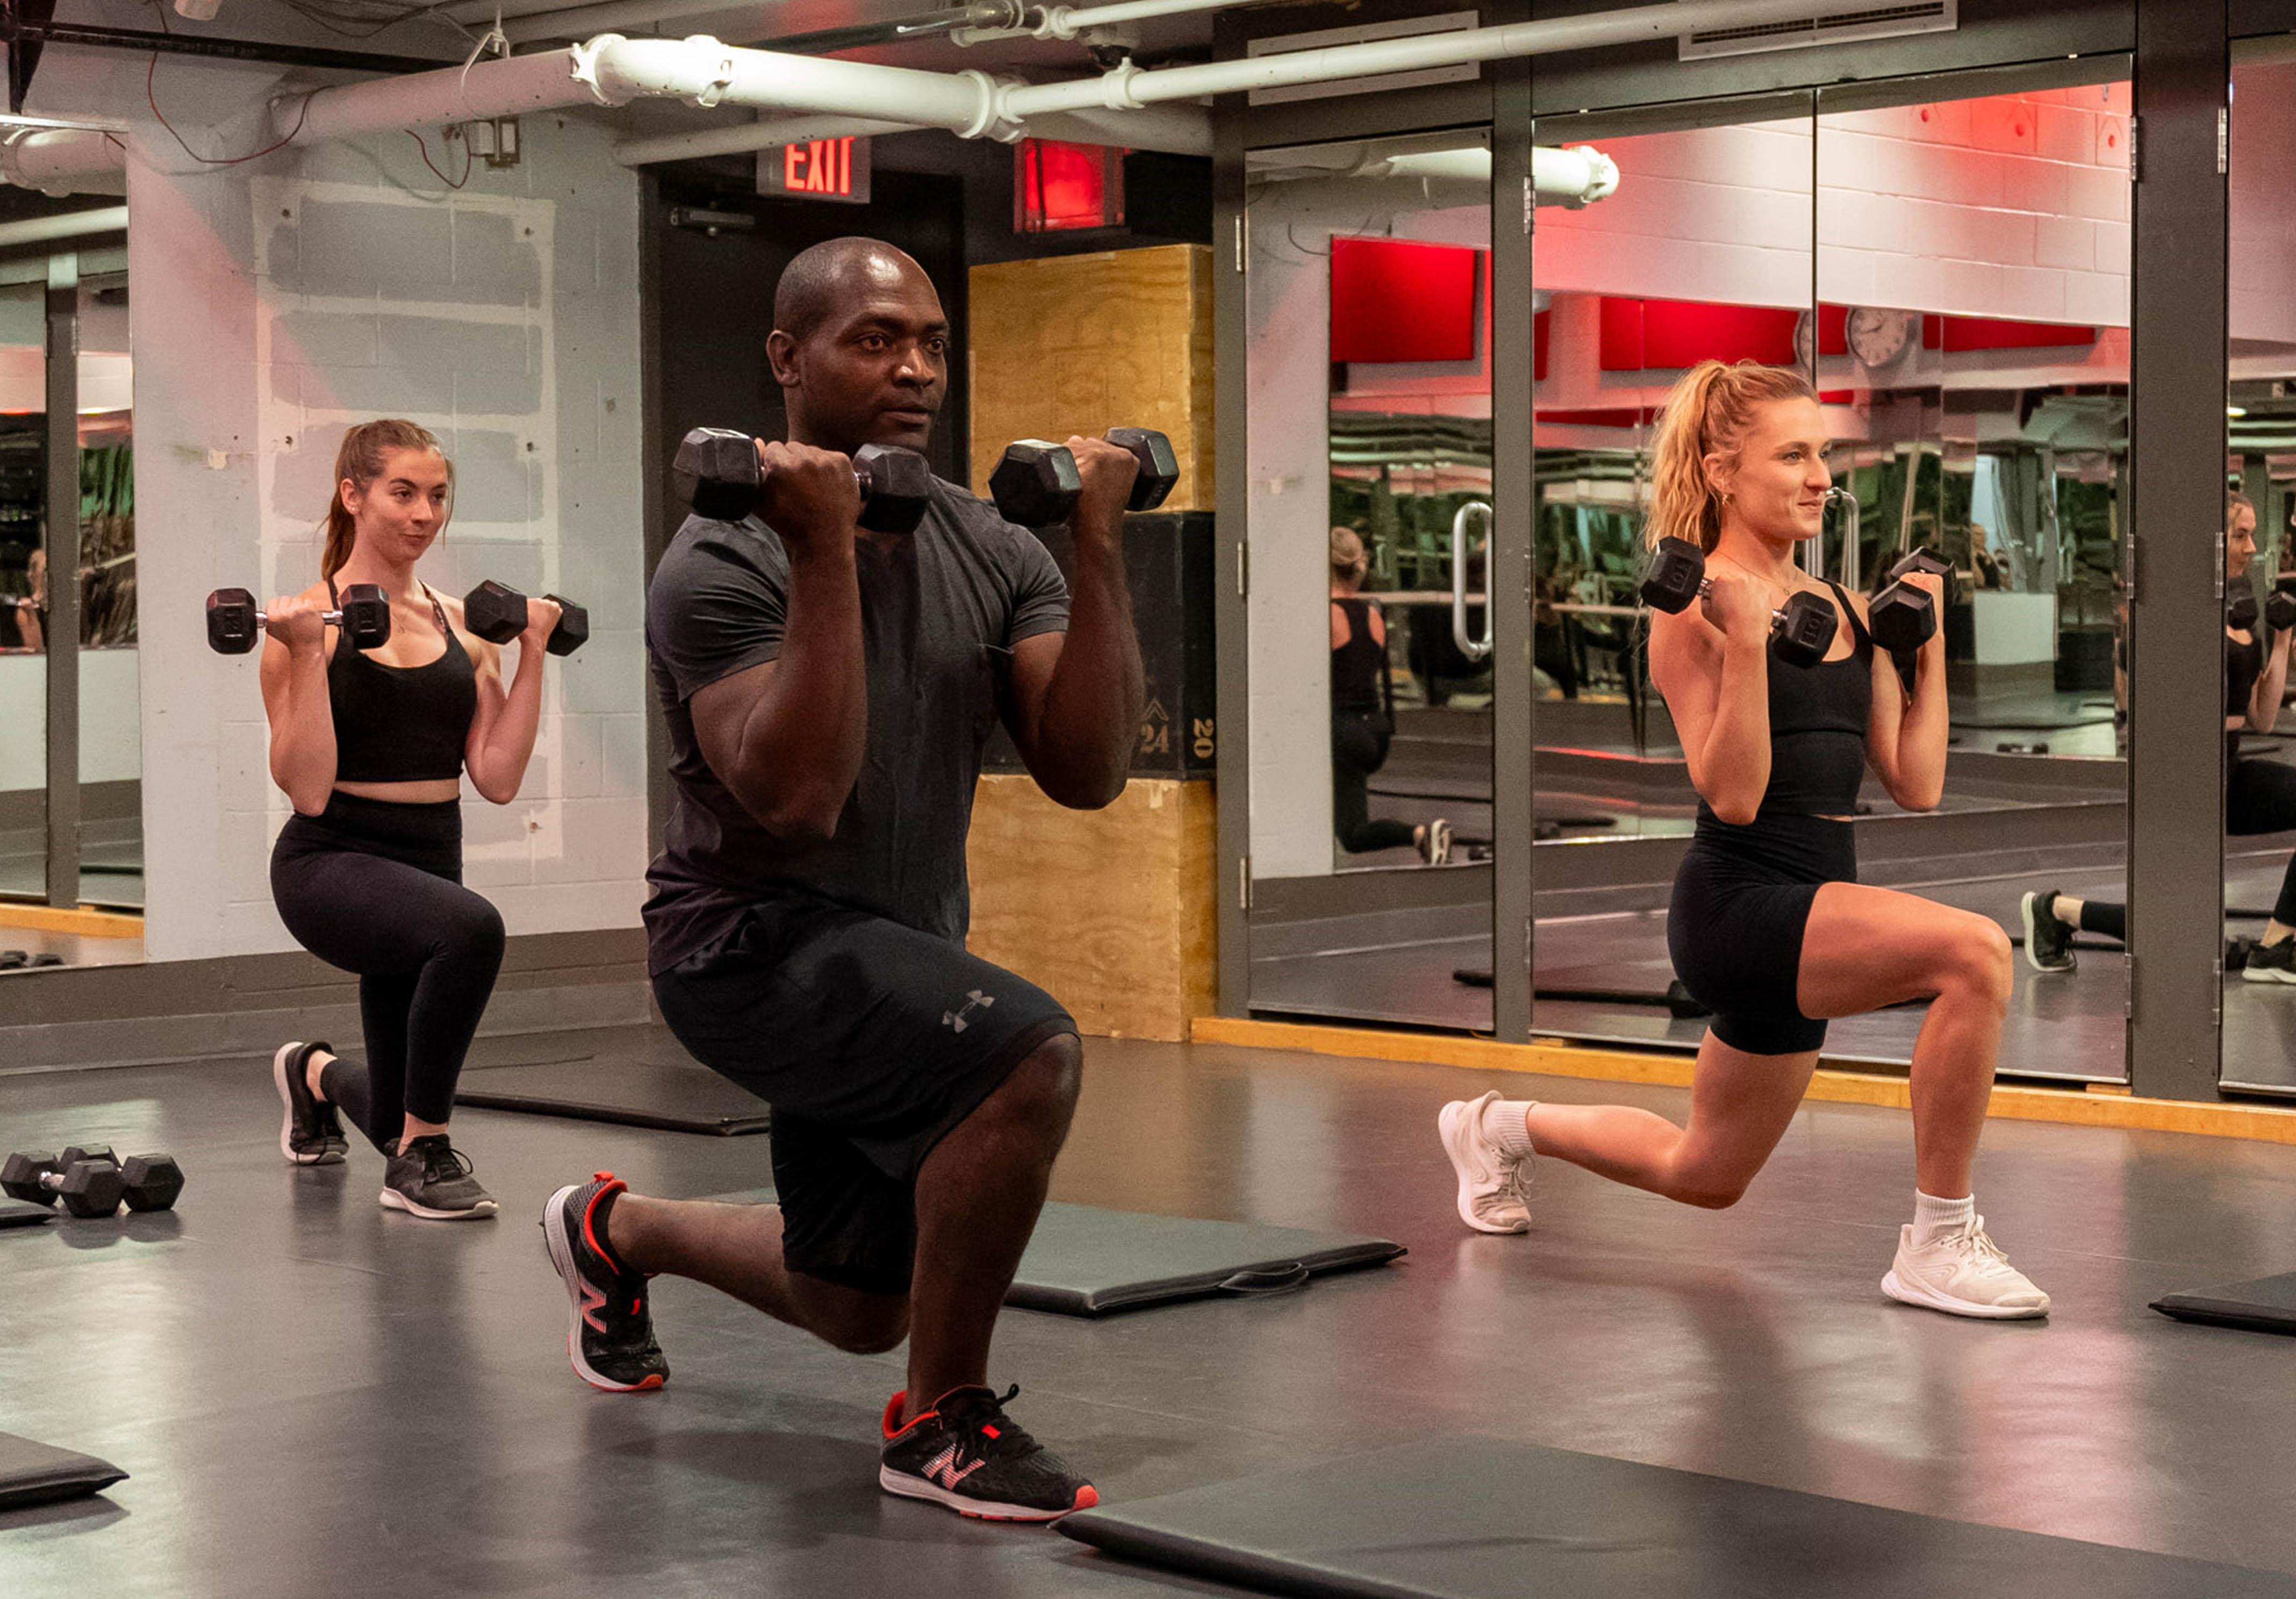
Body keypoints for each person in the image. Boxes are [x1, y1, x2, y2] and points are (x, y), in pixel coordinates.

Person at [540, 238, 1139, 1521]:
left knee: (857, 1304)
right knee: (1024, 1054)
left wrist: (1095, 543)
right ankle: (942, 1424)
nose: (914, 368)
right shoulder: (724, 557)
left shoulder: (995, 546)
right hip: (745, 946)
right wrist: (825, 548)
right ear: (788, 357)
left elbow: (1088, 770)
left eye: (930, 342)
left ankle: (615, 1229)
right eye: (875, 339)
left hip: (891, 943)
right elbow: (796, 799)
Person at [1436, 360, 2048, 1320]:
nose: (1820, 478)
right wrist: (1752, 645)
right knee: (1975, 953)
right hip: (1740, 907)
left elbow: (1916, 782)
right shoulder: (1691, 613)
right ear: (1723, 471)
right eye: (1793, 455)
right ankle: (1938, 1241)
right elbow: (1733, 795)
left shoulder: (1842, 607)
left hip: (1815, 904)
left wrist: (1925, 651)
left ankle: (1498, 1127)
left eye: (1824, 455)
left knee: (1705, 1172)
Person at [262, 419, 561, 1220]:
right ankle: (426, 1155)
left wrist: (534, 651)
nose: (424, 513)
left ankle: (313, 1074)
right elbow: (308, 789)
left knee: (388, 1115)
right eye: (403, 492)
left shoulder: (464, 627)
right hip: (331, 860)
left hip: (429, 859)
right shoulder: (305, 624)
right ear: (352, 495)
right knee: (472, 929)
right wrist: (305, 655)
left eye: (436, 495)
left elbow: (496, 776)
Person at [2025, 490, 2296, 982]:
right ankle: (2056, 910)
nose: (2253, 547)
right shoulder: (2179, 613)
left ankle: (2276, 946)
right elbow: (2148, 685)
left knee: (2182, 927)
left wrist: (2283, 638)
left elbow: (2261, 718)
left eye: (2253, 535)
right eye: (2241, 535)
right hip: (2183, 774)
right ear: (2215, 541)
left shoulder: (2242, 614)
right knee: (2177, 926)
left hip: (2228, 769)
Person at [1330, 527, 1451, 864]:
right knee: (1349, 828)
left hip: (1342, 731)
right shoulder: (1373, 615)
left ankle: (1419, 834)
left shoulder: (1325, 616)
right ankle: (1420, 836)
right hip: (1372, 732)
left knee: (1347, 830)